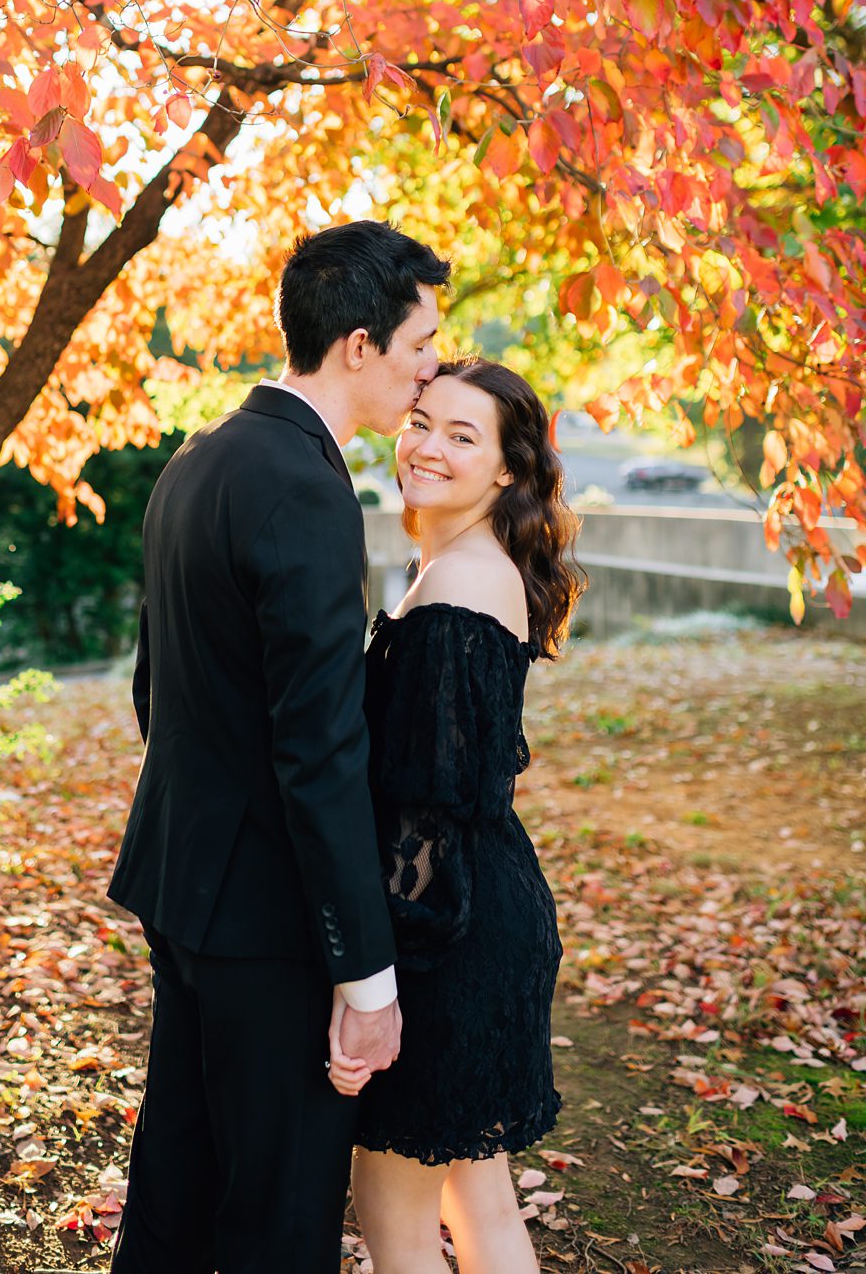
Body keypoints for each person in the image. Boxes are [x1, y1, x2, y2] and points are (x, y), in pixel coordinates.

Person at [107, 220, 452, 1274]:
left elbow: (153, 690)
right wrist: (366, 975)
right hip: (267, 921)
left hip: (182, 885)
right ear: (359, 344)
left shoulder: (201, 457)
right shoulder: (306, 488)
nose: (431, 367)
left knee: (177, 1184)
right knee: (281, 1212)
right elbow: (318, 750)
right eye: (422, 342)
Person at [329, 357, 586, 1274]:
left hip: (451, 932)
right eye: (422, 421)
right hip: (486, 909)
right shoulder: (453, 565)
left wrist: (370, 981)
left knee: (394, 1216)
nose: (428, 447)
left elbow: (426, 818)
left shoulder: (460, 587)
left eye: (462, 436)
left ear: (509, 470)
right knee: (478, 1196)